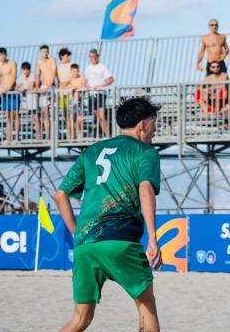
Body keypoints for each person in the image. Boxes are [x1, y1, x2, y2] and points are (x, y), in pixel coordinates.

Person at [54, 96, 163, 332]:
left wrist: (77, 233)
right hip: (119, 241)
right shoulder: (145, 153)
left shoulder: (91, 151)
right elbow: (145, 188)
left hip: (85, 245)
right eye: (154, 124)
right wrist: (153, 239)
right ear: (142, 124)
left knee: (80, 318)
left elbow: (60, 195)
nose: (155, 131)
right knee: (146, 305)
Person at [85, 49, 114, 138]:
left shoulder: (102, 67)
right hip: (91, 94)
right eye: (90, 56)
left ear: (97, 57)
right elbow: (86, 81)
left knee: (101, 117)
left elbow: (111, 79)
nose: (92, 58)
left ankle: (109, 136)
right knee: (96, 115)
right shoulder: (88, 68)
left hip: (100, 93)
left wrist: (100, 86)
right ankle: (101, 132)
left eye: (94, 56)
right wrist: (87, 87)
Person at [0, 47, 19, 143]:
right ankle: (9, 138)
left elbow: (14, 76)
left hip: (12, 91)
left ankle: (17, 138)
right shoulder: (0, 65)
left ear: (6, 54)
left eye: (3, 54)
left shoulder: (12, 63)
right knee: (8, 116)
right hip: (4, 93)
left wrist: (8, 88)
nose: (2, 56)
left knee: (15, 115)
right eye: (0, 55)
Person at [35, 45, 57, 140]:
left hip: (51, 88)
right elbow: (37, 75)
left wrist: (49, 86)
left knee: (53, 113)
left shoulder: (52, 60)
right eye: (43, 51)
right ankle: (48, 135)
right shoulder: (39, 62)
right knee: (45, 113)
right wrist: (36, 87)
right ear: (40, 52)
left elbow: (53, 73)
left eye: (46, 51)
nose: (45, 53)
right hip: (43, 88)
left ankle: (52, 135)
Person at [15, 62, 40, 141]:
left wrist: (24, 89)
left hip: (35, 100)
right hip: (29, 102)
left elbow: (32, 85)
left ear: (29, 70)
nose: (25, 71)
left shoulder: (33, 75)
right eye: (23, 70)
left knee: (36, 118)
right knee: (33, 117)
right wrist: (20, 89)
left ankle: (38, 137)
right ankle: (37, 136)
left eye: (26, 70)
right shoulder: (22, 76)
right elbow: (16, 87)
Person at [67, 64, 87, 140]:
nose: (75, 73)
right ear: (71, 72)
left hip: (79, 101)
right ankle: (72, 136)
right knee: (72, 119)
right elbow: (65, 86)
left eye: (76, 71)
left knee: (80, 119)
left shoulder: (82, 78)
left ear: (78, 71)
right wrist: (70, 87)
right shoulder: (70, 79)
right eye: (73, 71)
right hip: (71, 101)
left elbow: (84, 86)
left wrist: (75, 87)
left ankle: (80, 136)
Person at [58, 48, 74, 137]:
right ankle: (69, 135)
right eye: (66, 56)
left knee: (71, 114)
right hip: (62, 94)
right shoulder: (59, 67)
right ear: (62, 56)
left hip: (70, 94)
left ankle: (72, 135)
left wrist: (66, 83)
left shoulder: (71, 65)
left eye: (68, 56)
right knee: (65, 115)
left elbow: (73, 77)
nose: (68, 57)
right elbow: (58, 80)